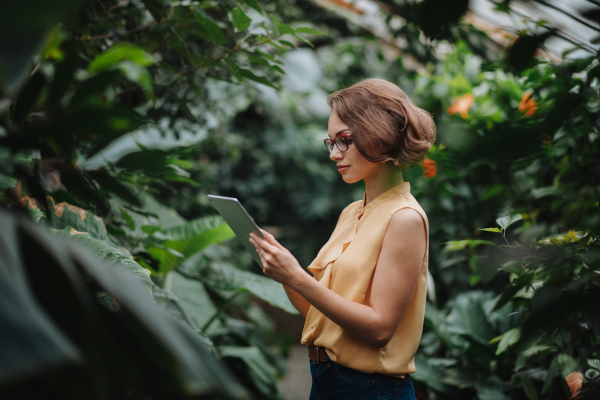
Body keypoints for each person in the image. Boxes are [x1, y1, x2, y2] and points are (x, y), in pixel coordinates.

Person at [249, 78, 436, 400]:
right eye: (331, 142)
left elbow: (379, 329)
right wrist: (283, 272)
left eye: (344, 140)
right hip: (325, 379)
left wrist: (297, 276)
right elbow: (315, 312)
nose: (335, 154)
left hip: (370, 388)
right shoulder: (353, 211)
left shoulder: (404, 218)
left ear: (379, 133)